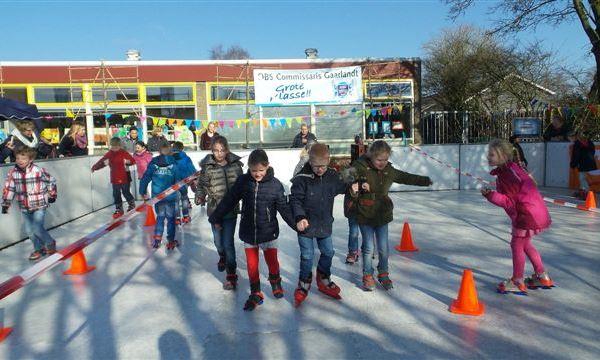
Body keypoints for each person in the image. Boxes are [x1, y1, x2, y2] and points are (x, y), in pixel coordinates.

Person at [208, 149, 295, 311]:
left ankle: (275, 282)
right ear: (248, 168)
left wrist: (297, 225)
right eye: (253, 170)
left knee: (272, 261)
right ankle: (256, 292)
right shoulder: (243, 181)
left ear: (268, 166)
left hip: (268, 231)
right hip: (249, 231)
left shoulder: (275, 185)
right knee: (252, 265)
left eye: (261, 170)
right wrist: (216, 217)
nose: (257, 174)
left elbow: (284, 208)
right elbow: (229, 200)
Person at [348, 140, 433, 291]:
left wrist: (425, 181)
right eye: (379, 160)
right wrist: (357, 187)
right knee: (368, 248)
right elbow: (345, 178)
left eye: (385, 159)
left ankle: (383, 273)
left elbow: (407, 177)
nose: (382, 163)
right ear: (371, 156)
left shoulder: (389, 171)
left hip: (382, 214)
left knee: (383, 248)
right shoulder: (360, 167)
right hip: (365, 214)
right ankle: (367, 275)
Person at [482, 139, 553, 294]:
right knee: (525, 244)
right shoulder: (508, 170)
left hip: (526, 214)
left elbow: (509, 201)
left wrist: (491, 195)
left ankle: (517, 280)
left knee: (517, 245)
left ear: (503, 156)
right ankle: (542, 275)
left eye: (492, 154)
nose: (488, 157)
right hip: (533, 212)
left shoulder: (509, 174)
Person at [290, 143, 348, 307]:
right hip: (305, 225)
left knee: (328, 252)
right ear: (310, 162)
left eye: (322, 166)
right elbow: (295, 200)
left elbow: (343, 186)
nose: (319, 170)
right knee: (307, 256)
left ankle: (323, 277)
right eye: (316, 166)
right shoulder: (302, 178)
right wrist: (300, 217)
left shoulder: (332, 175)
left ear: (328, 161)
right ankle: (303, 283)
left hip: (324, 223)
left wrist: (354, 186)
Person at [195, 136, 244, 290]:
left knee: (228, 243)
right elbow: (201, 185)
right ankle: (221, 255)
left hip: (230, 210)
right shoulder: (207, 168)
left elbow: (242, 185)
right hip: (215, 210)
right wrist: (199, 195)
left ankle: (231, 275)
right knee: (218, 242)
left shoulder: (236, 166)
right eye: (216, 150)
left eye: (222, 150)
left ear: (227, 150)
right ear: (212, 151)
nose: (219, 153)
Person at [2, 147, 57, 261]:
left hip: (39, 205)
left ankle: (50, 243)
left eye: (23, 158)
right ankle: (39, 249)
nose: (20, 160)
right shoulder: (13, 173)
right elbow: (9, 188)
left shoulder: (38, 170)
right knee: (30, 232)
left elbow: (51, 180)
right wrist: (5, 204)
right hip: (24, 206)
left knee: (37, 228)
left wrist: (52, 194)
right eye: (17, 158)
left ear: (30, 159)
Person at [140, 143, 181, 250]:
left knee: (160, 217)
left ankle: (157, 239)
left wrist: (142, 190)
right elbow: (179, 182)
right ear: (170, 152)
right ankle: (171, 241)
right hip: (170, 197)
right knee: (171, 219)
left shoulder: (153, 164)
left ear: (159, 152)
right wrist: (184, 191)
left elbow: (145, 178)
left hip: (157, 197)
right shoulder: (174, 165)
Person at [91, 137, 137, 219]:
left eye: (116, 147)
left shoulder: (123, 153)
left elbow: (133, 161)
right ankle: (119, 209)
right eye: (113, 147)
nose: (114, 149)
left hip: (125, 176)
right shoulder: (109, 154)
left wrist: (127, 162)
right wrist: (95, 167)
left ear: (120, 146)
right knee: (116, 194)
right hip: (115, 177)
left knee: (126, 192)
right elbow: (102, 162)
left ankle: (131, 205)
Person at [171, 141, 197, 224]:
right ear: (182, 148)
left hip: (173, 182)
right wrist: (194, 179)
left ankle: (177, 218)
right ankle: (186, 217)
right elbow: (191, 169)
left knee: (175, 201)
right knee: (184, 198)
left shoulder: (169, 157)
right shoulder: (186, 158)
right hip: (184, 182)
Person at [570, 130, 597, 200]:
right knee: (583, 177)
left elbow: (576, 155)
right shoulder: (589, 142)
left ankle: (586, 193)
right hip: (590, 163)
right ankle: (582, 192)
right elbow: (593, 152)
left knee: (582, 178)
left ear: (574, 137)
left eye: (571, 138)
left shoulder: (577, 144)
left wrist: (573, 164)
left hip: (582, 164)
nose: (570, 140)